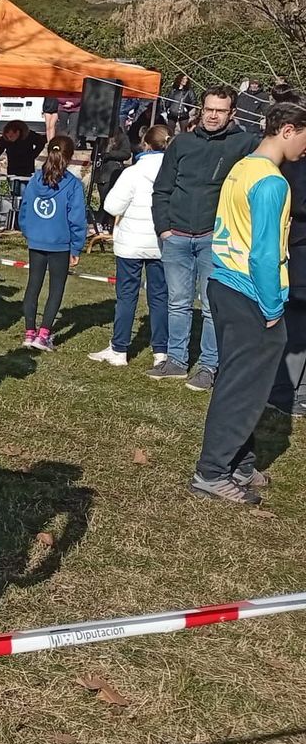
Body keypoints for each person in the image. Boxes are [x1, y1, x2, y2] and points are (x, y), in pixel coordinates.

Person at [190, 100, 306, 503]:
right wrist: (273, 307)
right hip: (251, 292)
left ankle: (238, 462)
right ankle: (212, 471)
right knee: (243, 386)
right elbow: (263, 252)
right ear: (288, 129)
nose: (305, 148)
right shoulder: (273, 182)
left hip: (222, 283)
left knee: (241, 380)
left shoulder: (243, 167)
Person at [149, 86, 257, 389]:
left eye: (220, 110)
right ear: (201, 109)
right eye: (209, 108)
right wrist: (164, 228)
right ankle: (176, 361)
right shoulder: (181, 143)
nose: (213, 115)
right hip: (177, 236)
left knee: (212, 306)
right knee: (178, 302)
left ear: (232, 113)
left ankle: (209, 366)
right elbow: (162, 188)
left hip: (215, 238)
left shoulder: (245, 144)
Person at [91, 126, 170, 367]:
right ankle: (161, 351)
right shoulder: (175, 173)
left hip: (131, 243)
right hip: (160, 242)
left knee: (127, 295)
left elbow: (112, 206)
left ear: (145, 144)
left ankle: (119, 348)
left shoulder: (133, 173)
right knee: (160, 297)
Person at [17, 135, 87, 350]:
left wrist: (29, 232)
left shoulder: (35, 180)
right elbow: (76, 218)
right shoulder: (73, 185)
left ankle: (30, 332)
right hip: (60, 243)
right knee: (56, 288)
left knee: (33, 285)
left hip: (37, 241)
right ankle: (43, 334)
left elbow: (25, 210)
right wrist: (76, 246)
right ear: (71, 156)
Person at [268, 120, 306, 418]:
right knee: (294, 329)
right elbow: (296, 203)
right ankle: (282, 391)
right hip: (298, 258)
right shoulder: (295, 165)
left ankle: (298, 390)